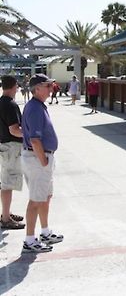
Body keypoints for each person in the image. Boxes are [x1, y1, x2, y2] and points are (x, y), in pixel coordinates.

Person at [21, 74, 63, 253]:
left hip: (41, 158)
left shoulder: (38, 106)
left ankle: (45, 232)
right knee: (36, 200)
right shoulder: (35, 109)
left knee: (45, 196)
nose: (50, 88)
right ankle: (29, 240)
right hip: (38, 158)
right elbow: (35, 139)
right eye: (47, 85)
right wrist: (44, 161)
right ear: (37, 88)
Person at [0, 75, 25, 230]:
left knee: (4, 181)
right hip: (11, 147)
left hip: (3, 146)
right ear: (14, 86)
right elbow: (14, 130)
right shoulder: (10, 105)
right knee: (8, 183)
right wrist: (30, 134)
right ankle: (6, 219)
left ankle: (5, 213)